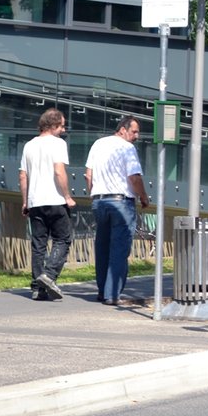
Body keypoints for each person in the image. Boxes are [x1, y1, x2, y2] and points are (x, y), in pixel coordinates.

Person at [85, 115, 149, 305]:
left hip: (99, 201)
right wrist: (144, 197)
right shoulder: (127, 148)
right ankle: (111, 294)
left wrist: (94, 194)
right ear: (122, 129)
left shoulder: (98, 144)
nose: (137, 136)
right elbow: (134, 177)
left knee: (102, 247)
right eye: (134, 131)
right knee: (119, 249)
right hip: (121, 201)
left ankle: (102, 290)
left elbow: (89, 175)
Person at [19, 108, 76, 301]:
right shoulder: (58, 144)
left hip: (35, 202)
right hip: (55, 200)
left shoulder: (29, 145)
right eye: (61, 125)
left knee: (38, 245)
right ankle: (49, 275)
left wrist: (25, 201)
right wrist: (67, 196)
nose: (63, 129)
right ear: (53, 125)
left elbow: (23, 176)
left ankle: (37, 288)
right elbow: (59, 171)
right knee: (63, 239)